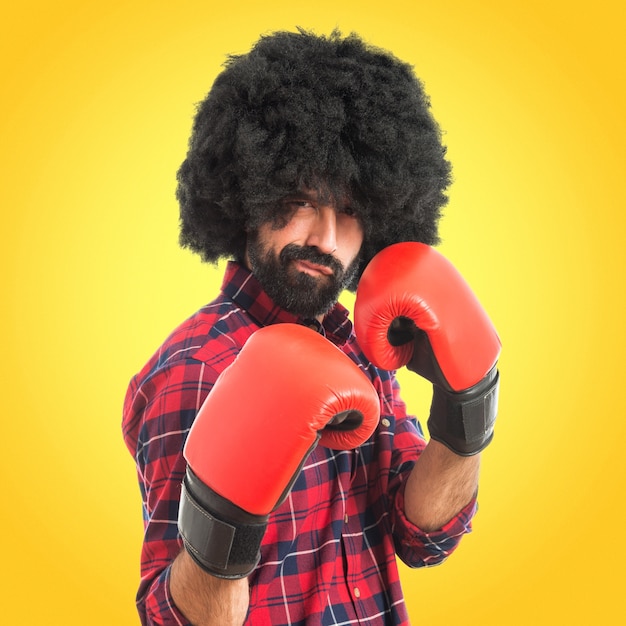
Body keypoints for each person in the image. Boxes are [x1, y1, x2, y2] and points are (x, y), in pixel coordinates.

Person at [122, 28, 501, 626]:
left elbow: (423, 535)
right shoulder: (195, 369)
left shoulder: (364, 346)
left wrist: (467, 408)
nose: (325, 238)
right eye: (301, 200)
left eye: (349, 212)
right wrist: (223, 523)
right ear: (248, 194)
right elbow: (175, 617)